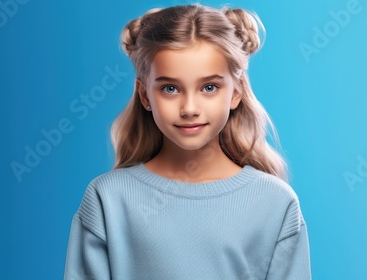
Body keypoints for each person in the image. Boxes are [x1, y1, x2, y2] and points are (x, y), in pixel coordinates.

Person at [64, 4, 311, 280]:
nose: (189, 108)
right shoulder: (107, 199)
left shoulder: (275, 203)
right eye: (170, 88)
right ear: (144, 95)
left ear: (236, 93)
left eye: (209, 87)